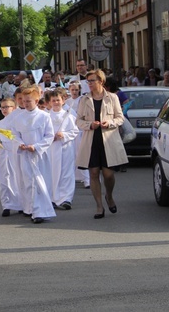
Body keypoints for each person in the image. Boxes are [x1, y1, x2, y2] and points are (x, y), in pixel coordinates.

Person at [75, 69, 128, 219]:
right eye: (88, 81)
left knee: (108, 174)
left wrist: (109, 123)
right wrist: (90, 125)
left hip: (108, 140)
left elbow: (120, 118)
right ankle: (99, 206)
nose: (89, 84)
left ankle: (109, 196)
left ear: (101, 81)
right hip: (91, 140)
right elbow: (78, 120)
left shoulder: (112, 98)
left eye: (92, 81)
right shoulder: (84, 100)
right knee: (93, 173)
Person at [7, 84, 55, 224]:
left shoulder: (44, 117)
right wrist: (20, 144)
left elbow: (49, 135)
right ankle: (30, 208)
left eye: (29, 101)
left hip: (39, 155)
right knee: (28, 182)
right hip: (25, 155)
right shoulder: (18, 118)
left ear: (36, 100)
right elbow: (13, 134)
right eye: (23, 101)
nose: (25, 104)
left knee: (40, 182)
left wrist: (37, 147)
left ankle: (40, 211)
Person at [0, 97, 22, 217]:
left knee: (17, 177)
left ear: (14, 107)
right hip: (4, 151)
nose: (4, 109)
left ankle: (21, 204)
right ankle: (7, 204)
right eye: (2, 107)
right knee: (4, 178)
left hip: (16, 151)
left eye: (7, 107)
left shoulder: (19, 121)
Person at [47, 90, 79, 209]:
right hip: (51, 149)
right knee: (52, 173)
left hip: (65, 148)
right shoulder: (46, 117)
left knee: (66, 172)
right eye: (53, 100)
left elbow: (75, 131)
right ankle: (53, 198)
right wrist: (51, 137)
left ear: (63, 101)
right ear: (50, 102)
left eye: (58, 100)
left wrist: (64, 135)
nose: (56, 102)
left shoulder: (69, 116)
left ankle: (66, 198)